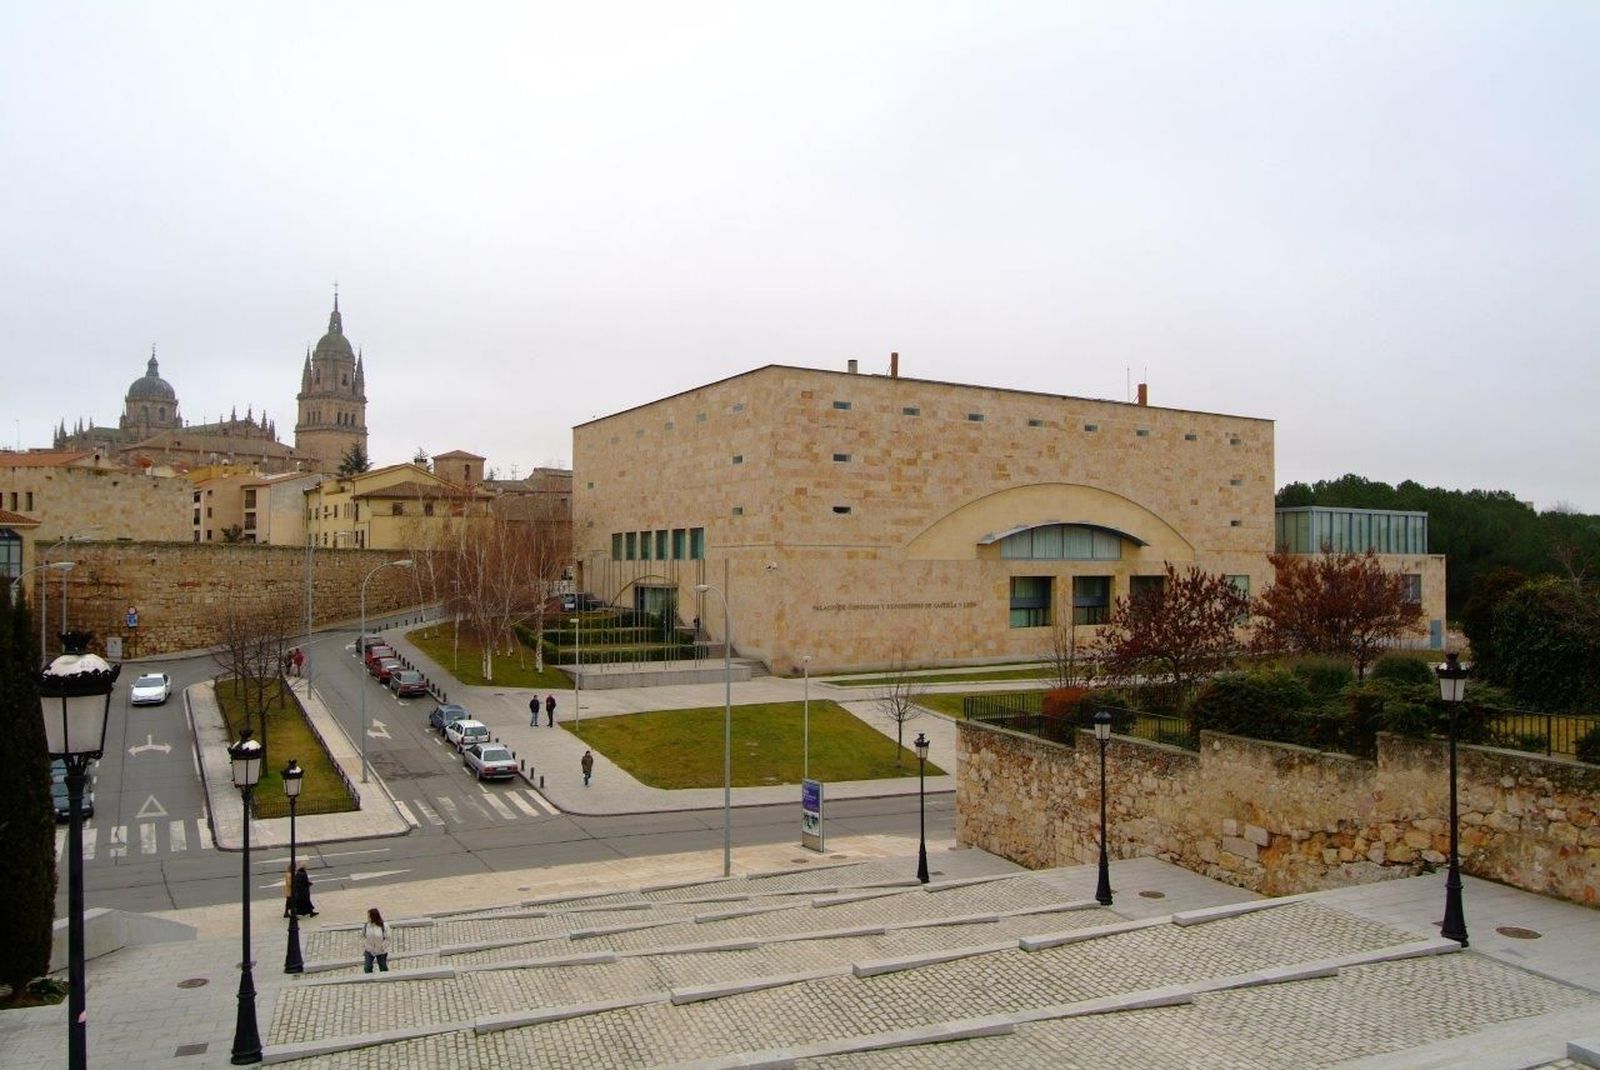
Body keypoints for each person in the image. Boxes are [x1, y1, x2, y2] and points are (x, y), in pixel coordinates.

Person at [361, 907, 390, 973]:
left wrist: (383, 947)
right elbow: (362, 936)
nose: (368, 918)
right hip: (369, 950)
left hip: (381, 951)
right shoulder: (366, 926)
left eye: (369, 916)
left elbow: (388, 938)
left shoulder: (384, 926)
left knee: (383, 967)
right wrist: (365, 945)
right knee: (367, 967)